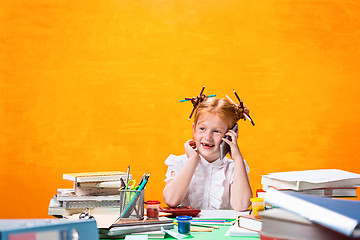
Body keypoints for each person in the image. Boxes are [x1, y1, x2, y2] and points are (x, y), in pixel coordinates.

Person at [163, 94, 253, 211]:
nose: (208, 137)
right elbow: (171, 200)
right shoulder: (179, 162)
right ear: (194, 130)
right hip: (186, 228)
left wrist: (238, 159)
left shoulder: (234, 168)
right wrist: (192, 161)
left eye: (216, 131)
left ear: (231, 135)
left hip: (223, 228)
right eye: (202, 129)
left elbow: (241, 205)